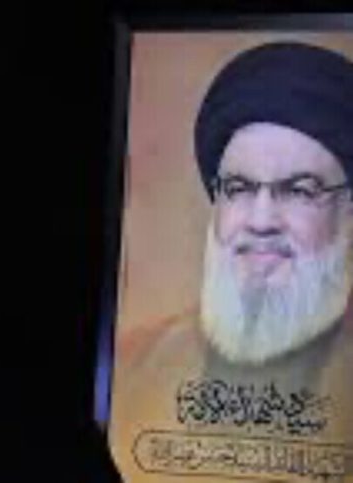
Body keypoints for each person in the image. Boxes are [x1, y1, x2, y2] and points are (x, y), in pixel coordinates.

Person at [110, 42, 353, 482]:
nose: (261, 221)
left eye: (300, 190)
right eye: (239, 188)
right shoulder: (132, 368)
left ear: (348, 209)